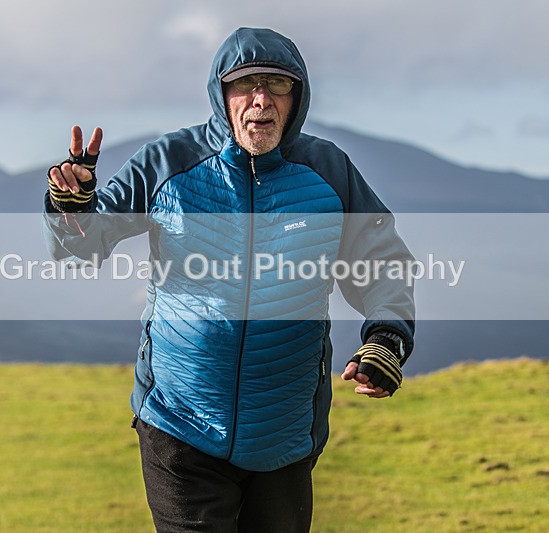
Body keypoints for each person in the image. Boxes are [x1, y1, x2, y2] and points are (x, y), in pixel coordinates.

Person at [43, 27, 415, 533]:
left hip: (283, 435)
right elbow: (84, 246)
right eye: (246, 84)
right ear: (222, 94)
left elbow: (382, 262)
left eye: (277, 86)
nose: (261, 100)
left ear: (296, 97)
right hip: (180, 426)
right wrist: (73, 206)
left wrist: (387, 338)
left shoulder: (327, 171)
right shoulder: (168, 163)